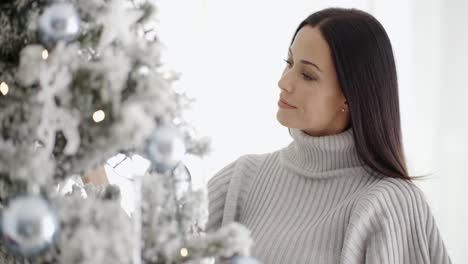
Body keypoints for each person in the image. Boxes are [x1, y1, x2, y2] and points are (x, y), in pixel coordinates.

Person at [206, 7, 452, 264]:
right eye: (289, 63)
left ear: (350, 94)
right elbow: (165, 238)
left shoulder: (388, 203)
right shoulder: (244, 177)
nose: (284, 82)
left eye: (307, 75)